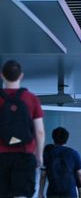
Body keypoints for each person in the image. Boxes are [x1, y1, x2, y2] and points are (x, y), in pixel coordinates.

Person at [0, 60, 45, 198]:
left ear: (2, 75)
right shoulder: (31, 98)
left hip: (1, 156)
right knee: (22, 194)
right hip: (24, 155)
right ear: (21, 76)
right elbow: (39, 131)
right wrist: (39, 154)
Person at [38, 127, 81, 198]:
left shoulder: (47, 154)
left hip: (53, 192)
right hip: (69, 192)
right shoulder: (73, 153)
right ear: (66, 139)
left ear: (53, 138)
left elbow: (43, 175)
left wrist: (40, 192)